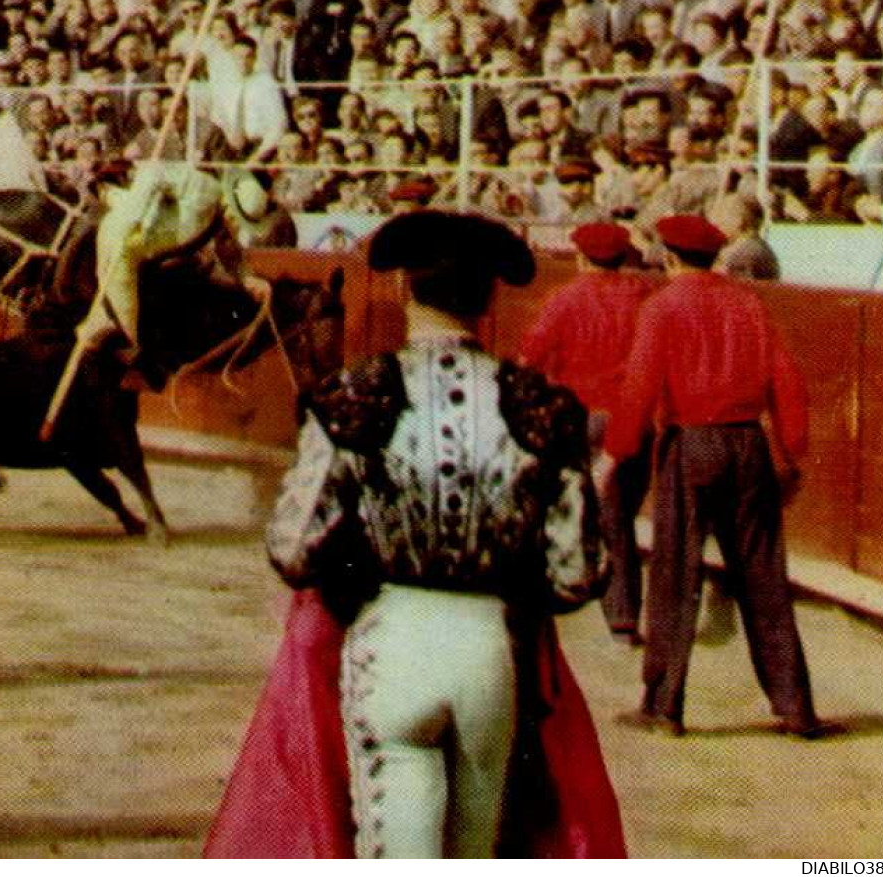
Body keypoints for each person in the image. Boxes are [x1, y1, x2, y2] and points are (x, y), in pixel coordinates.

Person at [252, 211, 610, 858]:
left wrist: (360, 566)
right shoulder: (537, 404)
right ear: (489, 298)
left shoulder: (355, 394)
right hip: (487, 652)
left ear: (399, 288)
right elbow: (576, 571)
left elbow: (291, 547)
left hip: (392, 643)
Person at [599, 215, 824, 739]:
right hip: (748, 443)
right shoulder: (748, 303)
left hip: (692, 443)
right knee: (765, 577)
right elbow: (787, 382)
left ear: (671, 259)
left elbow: (640, 386)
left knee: (676, 575)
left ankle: (663, 707)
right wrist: (791, 454)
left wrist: (615, 454)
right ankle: (796, 709)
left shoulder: (663, 307)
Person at [519, 222, 655, 643]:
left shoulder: (565, 299)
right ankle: (618, 606)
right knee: (621, 513)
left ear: (580, 258)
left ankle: (617, 612)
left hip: (583, 418)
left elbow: (530, 357)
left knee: (598, 515)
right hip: (637, 418)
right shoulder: (644, 296)